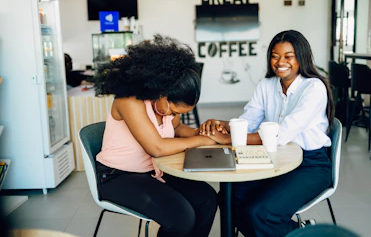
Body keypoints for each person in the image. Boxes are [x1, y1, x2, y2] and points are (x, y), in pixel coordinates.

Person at [199, 30, 335, 237]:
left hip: (311, 164)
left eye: (288, 56)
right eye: (275, 55)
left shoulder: (313, 87)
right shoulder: (266, 85)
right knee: (229, 200)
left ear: (301, 57)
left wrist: (227, 139)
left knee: (261, 213)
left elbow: (281, 133)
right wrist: (224, 125)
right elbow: (249, 122)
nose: (281, 62)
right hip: (274, 157)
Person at [93, 34, 218, 237]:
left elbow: (177, 130)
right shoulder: (129, 100)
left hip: (154, 172)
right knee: (181, 218)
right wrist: (202, 140)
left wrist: (203, 132)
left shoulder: (163, 104)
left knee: (207, 200)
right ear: (162, 92)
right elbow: (157, 148)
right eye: (174, 111)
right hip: (117, 176)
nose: (173, 117)